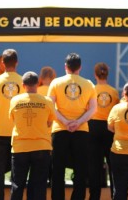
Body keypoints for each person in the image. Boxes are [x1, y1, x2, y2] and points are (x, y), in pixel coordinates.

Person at [48, 52, 97, 200]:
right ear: (80, 67)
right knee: (80, 169)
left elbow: (51, 107)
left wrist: (65, 121)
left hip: (60, 130)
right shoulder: (88, 84)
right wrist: (78, 122)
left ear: (65, 67)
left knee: (58, 169)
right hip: (81, 131)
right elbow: (93, 109)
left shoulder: (56, 83)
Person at [9, 71, 56, 200]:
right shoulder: (47, 101)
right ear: (37, 83)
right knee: (39, 186)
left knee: (17, 185)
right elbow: (50, 121)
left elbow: (12, 119)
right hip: (41, 146)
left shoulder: (15, 100)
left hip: (20, 147)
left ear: (23, 85)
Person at [0, 48, 24, 200]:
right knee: (17, 166)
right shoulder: (23, 81)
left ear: (2, 63)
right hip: (18, 130)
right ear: (17, 63)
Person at [87, 62, 119, 200]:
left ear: (95, 75)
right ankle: (115, 195)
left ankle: (94, 196)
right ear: (107, 74)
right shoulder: (113, 91)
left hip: (93, 127)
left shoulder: (91, 89)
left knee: (94, 164)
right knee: (113, 163)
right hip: (109, 128)